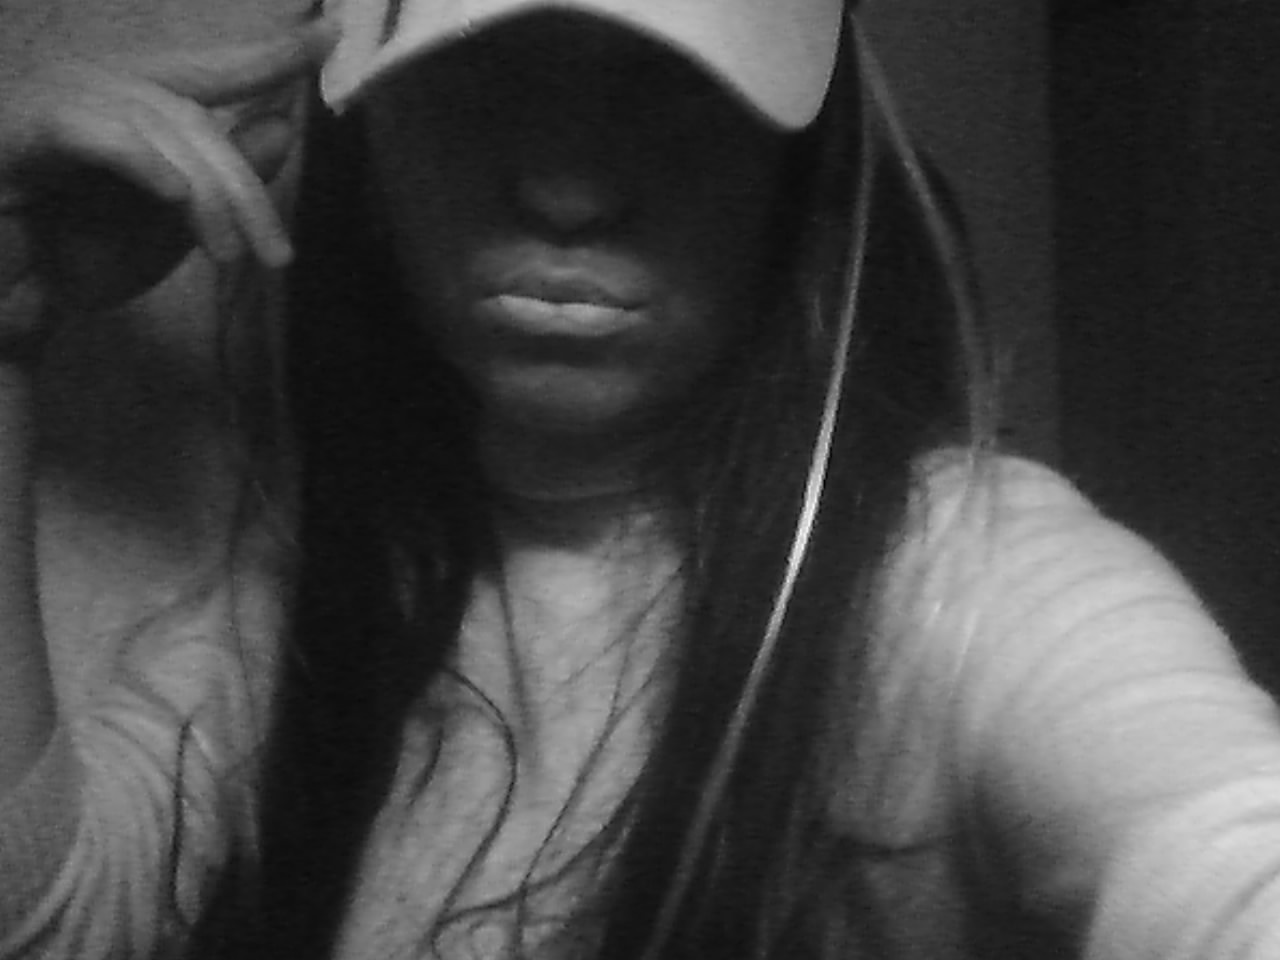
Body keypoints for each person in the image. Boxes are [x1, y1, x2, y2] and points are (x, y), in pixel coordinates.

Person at [2, 0, 1280, 958]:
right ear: (370, 150)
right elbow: (50, 924)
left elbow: (1216, 848)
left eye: (665, 91)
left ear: (794, 171)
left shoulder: (966, 578)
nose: (565, 190)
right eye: (487, 85)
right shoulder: (303, 598)